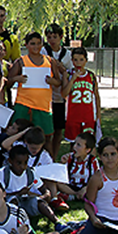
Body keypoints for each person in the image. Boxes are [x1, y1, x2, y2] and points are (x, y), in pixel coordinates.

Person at [7, 32, 62, 156]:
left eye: (38, 43)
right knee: (19, 137)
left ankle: (49, 165)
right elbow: (8, 81)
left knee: (46, 138)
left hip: (43, 106)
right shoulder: (21, 62)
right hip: (24, 105)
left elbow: (58, 81)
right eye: (32, 44)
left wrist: (52, 81)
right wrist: (17, 79)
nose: (36, 47)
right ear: (26, 45)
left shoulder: (50, 61)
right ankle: (17, 160)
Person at [0, 145, 64, 231]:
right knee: (14, 201)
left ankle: (57, 222)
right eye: (19, 163)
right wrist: (18, 193)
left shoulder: (30, 173)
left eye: (25, 163)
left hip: (26, 200)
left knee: (39, 202)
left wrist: (46, 194)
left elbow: (42, 187)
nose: (22, 166)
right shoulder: (3, 173)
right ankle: (21, 226)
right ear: (10, 161)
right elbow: (0, 194)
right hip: (10, 201)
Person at [41, 23, 72, 155]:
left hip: (60, 97)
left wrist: (62, 70)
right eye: (49, 37)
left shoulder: (67, 54)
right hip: (46, 95)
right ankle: (46, 155)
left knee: (59, 129)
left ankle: (54, 155)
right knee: (47, 130)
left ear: (61, 37)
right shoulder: (44, 51)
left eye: (54, 37)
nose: (52, 40)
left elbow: (70, 71)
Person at [62, 47, 100, 143]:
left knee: (89, 143)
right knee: (74, 143)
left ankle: (90, 158)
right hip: (73, 115)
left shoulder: (91, 76)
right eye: (75, 60)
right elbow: (64, 93)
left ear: (86, 61)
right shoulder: (68, 74)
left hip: (88, 115)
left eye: (81, 60)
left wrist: (98, 114)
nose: (78, 63)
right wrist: (72, 80)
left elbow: (96, 95)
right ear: (72, 61)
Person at [57, 131, 99, 203]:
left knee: (92, 189)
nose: (74, 147)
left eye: (78, 145)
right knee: (57, 183)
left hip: (85, 186)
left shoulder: (92, 161)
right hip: (71, 186)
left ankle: (73, 196)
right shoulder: (70, 157)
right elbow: (60, 175)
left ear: (87, 150)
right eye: (75, 143)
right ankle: (75, 195)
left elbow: (96, 178)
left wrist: (86, 188)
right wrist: (62, 163)